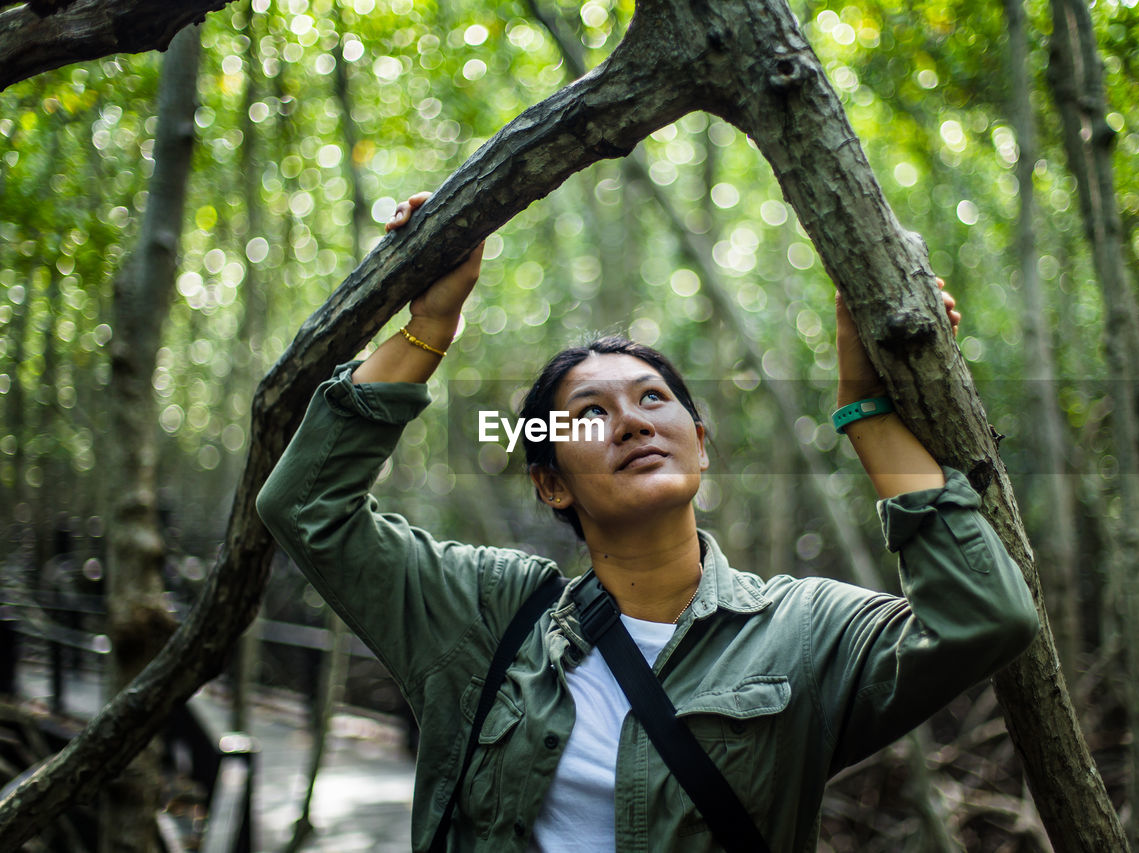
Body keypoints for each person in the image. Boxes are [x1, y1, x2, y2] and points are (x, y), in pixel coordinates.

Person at [256, 192, 1040, 852]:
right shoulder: (486, 616)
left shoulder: (804, 631)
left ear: (701, 444)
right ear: (551, 484)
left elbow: (986, 616)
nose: (631, 422)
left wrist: (866, 411)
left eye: (654, 399)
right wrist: (430, 326)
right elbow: (305, 506)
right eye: (590, 414)